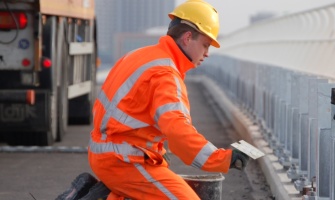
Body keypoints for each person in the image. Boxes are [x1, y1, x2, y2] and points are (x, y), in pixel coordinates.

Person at [56, 0, 249, 199]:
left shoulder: (141, 56)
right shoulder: (165, 75)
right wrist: (223, 159)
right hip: (124, 162)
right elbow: (179, 134)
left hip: (107, 153)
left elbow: (130, 113)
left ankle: (101, 196)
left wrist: (153, 149)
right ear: (187, 37)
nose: (207, 53)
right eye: (205, 45)